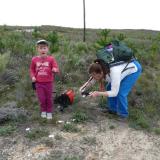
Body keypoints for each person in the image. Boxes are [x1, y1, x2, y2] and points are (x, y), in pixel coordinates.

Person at [30, 39, 59, 119]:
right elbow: (32, 70)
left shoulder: (51, 59)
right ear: (37, 49)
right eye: (41, 48)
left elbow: (56, 67)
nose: (43, 50)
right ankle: (43, 110)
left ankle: (49, 111)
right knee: (42, 98)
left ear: (47, 49)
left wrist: (55, 70)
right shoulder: (34, 59)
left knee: (49, 98)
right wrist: (32, 77)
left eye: (44, 48)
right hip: (39, 83)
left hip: (49, 83)